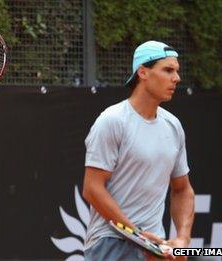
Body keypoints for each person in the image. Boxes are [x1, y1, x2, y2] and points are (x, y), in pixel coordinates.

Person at [82, 41, 195, 260]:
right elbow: (92, 188)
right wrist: (137, 235)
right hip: (111, 243)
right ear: (143, 72)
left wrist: (182, 240)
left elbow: (182, 189)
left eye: (177, 71)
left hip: (153, 247)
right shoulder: (112, 120)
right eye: (168, 70)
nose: (176, 78)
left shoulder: (173, 126)